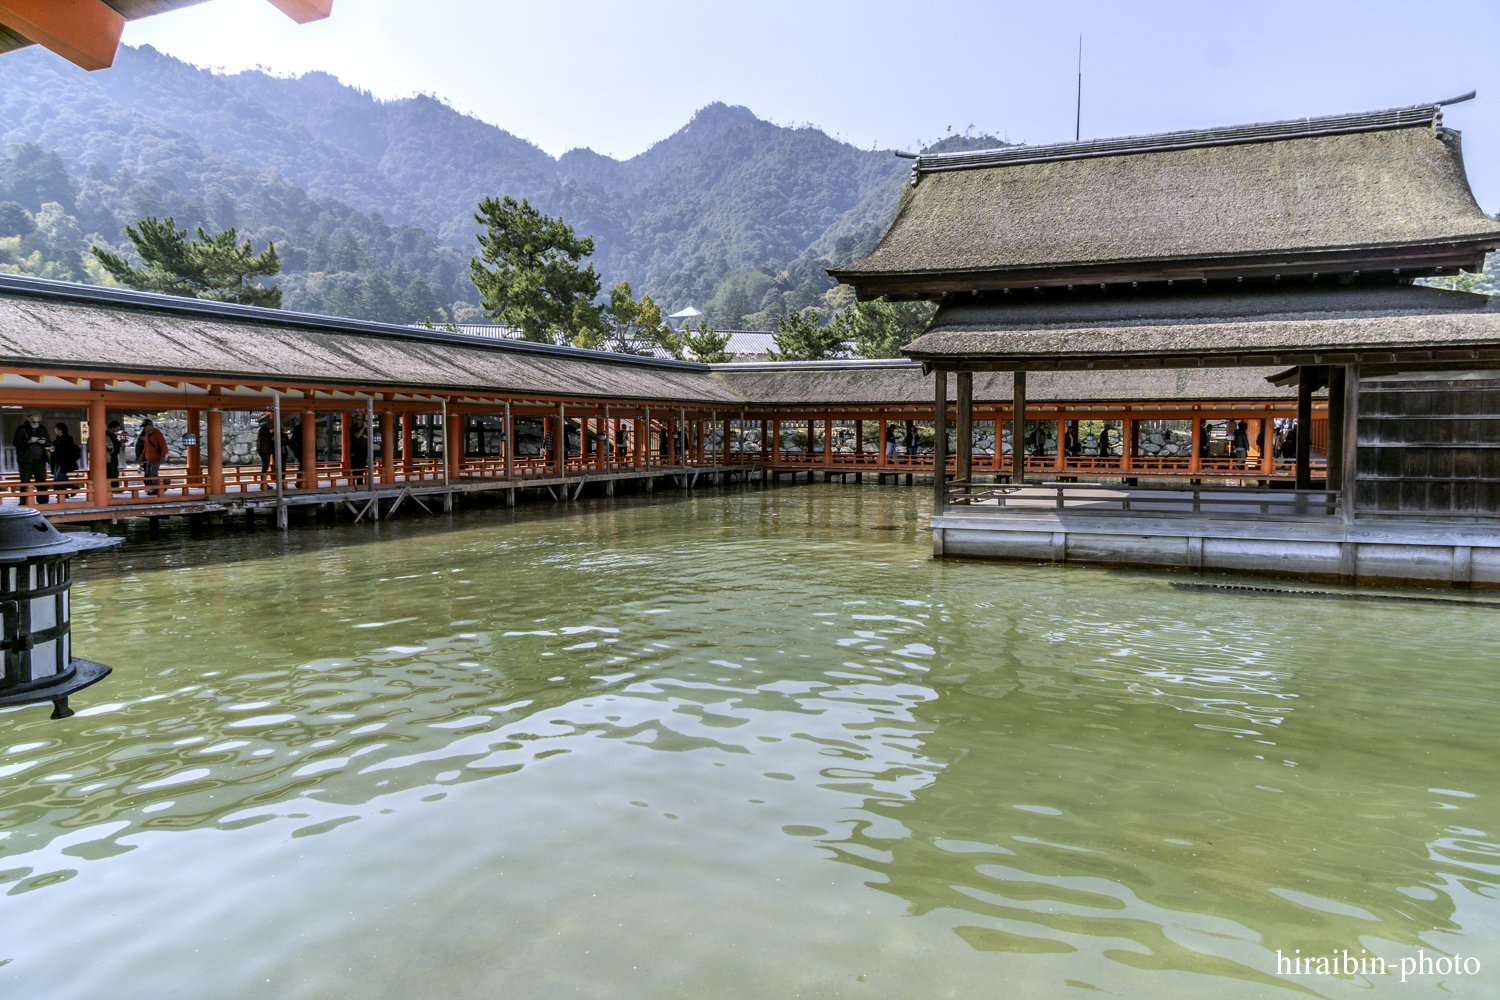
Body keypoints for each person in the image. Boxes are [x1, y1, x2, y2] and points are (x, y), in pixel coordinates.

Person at [13, 413, 51, 504]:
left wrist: (44, 442)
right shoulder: (22, 429)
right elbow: (16, 442)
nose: (36, 423)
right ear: (29, 420)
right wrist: (28, 441)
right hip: (26, 460)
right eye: (34, 421)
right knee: (25, 481)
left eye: (38, 421)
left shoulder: (42, 429)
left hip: (40, 460)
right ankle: (24, 501)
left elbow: (49, 442)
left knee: (42, 481)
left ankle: (43, 501)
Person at [138, 418, 168, 494]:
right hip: (148, 458)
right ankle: (164, 482)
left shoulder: (158, 433)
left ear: (150, 425)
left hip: (156, 457)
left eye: (146, 426)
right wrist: (142, 456)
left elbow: (163, 445)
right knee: (148, 474)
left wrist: (163, 456)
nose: (145, 428)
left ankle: (155, 489)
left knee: (153, 473)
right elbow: (146, 447)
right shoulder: (147, 435)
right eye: (144, 426)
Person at [50, 422, 80, 496]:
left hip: (65, 461)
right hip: (58, 460)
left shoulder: (68, 439)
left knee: (59, 477)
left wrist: (55, 449)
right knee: (55, 478)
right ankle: (61, 494)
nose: (55, 430)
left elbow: (67, 450)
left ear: (60, 430)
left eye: (56, 429)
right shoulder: (57, 439)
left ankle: (73, 488)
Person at [106, 419, 126, 486]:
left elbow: (115, 444)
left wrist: (120, 443)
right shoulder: (106, 435)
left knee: (115, 472)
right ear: (112, 427)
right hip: (109, 456)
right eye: (117, 427)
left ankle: (115, 487)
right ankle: (111, 487)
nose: (118, 429)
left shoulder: (113, 435)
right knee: (110, 472)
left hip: (114, 455)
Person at [350, 418, 369, 485]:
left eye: (361, 419)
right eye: (358, 419)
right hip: (356, 448)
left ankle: (360, 481)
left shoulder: (363, 429)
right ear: (354, 420)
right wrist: (363, 427)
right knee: (355, 464)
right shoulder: (353, 428)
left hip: (363, 448)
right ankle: (353, 481)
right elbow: (357, 435)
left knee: (362, 464)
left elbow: (368, 436)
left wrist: (366, 437)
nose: (360, 421)